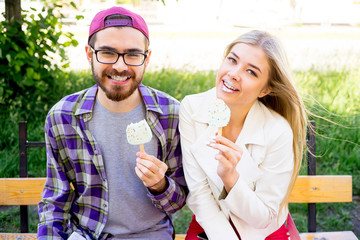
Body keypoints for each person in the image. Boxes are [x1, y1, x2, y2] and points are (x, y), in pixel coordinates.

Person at [37, 6, 187, 240]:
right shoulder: (62, 117)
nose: (120, 66)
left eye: (133, 54)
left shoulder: (171, 115)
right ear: (89, 54)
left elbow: (177, 203)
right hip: (88, 235)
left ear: (146, 58)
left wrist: (160, 185)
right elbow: (55, 202)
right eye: (107, 53)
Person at [179, 30, 308, 240]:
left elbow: (263, 217)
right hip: (211, 224)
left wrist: (231, 178)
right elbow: (200, 193)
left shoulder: (278, 131)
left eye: (251, 72)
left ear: (265, 90)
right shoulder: (192, 109)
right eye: (232, 60)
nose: (234, 73)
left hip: (263, 230)